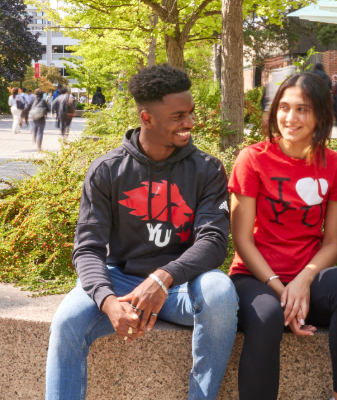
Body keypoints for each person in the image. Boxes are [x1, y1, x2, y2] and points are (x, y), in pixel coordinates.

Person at [46, 64, 236, 400]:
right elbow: (88, 249)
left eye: (191, 113)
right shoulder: (107, 170)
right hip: (122, 282)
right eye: (178, 116)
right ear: (147, 118)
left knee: (220, 293)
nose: (190, 123)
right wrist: (107, 302)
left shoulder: (206, 169)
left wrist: (164, 278)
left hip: (182, 285)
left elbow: (214, 240)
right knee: (66, 323)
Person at [229, 72, 337, 400]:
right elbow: (242, 240)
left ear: (321, 114)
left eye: (303, 109)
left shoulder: (336, 167)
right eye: (284, 107)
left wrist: (304, 279)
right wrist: (282, 290)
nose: (290, 118)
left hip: (308, 278)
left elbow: (333, 241)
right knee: (268, 315)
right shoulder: (253, 160)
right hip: (256, 277)